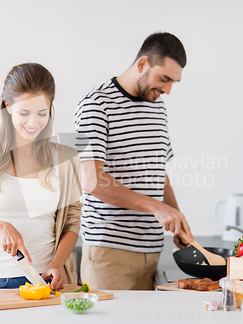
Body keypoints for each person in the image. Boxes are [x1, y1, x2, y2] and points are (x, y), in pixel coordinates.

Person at [75, 32, 194, 290]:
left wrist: (177, 219)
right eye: (164, 79)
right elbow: (90, 181)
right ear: (142, 64)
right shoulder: (94, 105)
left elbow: (157, 173)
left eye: (174, 82)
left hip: (151, 252)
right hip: (109, 254)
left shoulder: (158, 107)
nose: (168, 90)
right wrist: (156, 207)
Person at [0, 63, 83, 290]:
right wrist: (0, 226)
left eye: (42, 113)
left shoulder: (66, 158)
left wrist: (57, 263)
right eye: (25, 113)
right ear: (8, 106)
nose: (33, 123)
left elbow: (73, 221)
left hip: (49, 281)